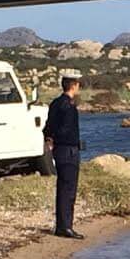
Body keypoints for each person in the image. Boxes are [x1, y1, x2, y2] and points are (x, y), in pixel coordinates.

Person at [44, 69, 84, 239]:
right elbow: (65, 130)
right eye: (77, 83)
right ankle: (65, 226)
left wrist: (50, 141)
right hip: (68, 150)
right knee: (68, 189)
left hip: (60, 150)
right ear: (73, 85)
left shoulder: (55, 103)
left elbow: (48, 127)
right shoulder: (68, 106)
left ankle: (63, 224)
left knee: (63, 188)